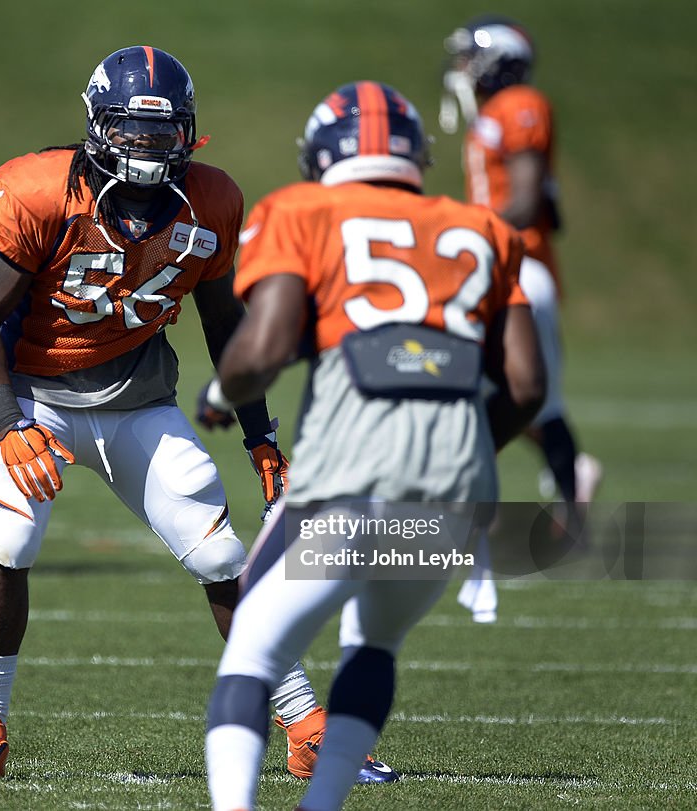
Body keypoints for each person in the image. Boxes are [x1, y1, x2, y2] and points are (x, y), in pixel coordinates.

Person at [0, 45, 393, 785]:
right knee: (9, 539)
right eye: (132, 130)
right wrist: (10, 420)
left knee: (218, 554)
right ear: (96, 125)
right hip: (36, 400)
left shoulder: (211, 198)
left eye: (163, 131)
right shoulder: (37, 188)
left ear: (189, 132)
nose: (148, 146)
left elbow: (224, 323)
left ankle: (307, 725)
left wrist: (260, 433)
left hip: (135, 400)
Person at [203, 80, 545, 811]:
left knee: (252, 651)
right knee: (373, 647)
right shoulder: (483, 227)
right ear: (414, 155)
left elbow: (259, 350)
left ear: (321, 155)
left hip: (347, 476)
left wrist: (222, 392)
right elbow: (526, 384)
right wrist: (459, 451)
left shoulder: (299, 209)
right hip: (456, 491)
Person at [440, 16, 602, 514]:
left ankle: (568, 501)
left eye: (471, 55)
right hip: (499, 266)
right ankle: (565, 483)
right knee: (491, 390)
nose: (463, 66)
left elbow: (528, 201)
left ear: (499, 59)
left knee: (527, 396)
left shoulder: (520, 104)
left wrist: (466, 231)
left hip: (517, 267)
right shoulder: (495, 111)